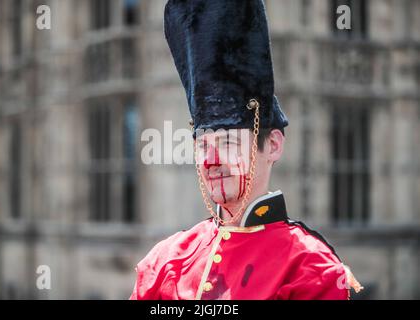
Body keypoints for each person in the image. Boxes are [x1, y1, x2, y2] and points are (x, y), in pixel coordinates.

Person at [130, 0, 362, 300]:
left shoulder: (312, 269)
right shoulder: (163, 262)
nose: (210, 161)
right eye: (203, 145)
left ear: (274, 145)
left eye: (227, 142)